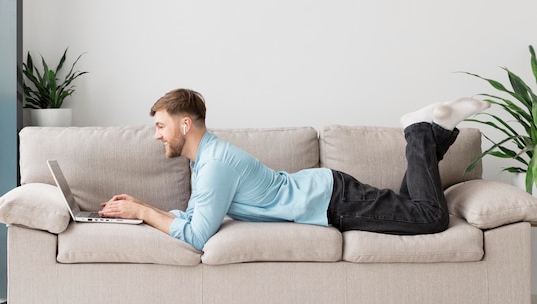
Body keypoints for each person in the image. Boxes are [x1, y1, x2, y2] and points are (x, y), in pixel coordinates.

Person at [99, 88, 490, 251]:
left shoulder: (214, 164)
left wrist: (143, 213)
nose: (156, 136)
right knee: (412, 206)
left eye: (160, 126)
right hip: (329, 194)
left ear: (185, 125)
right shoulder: (206, 160)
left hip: (334, 202)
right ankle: (434, 133)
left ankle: (421, 132)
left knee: (431, 217)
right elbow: (199, 215)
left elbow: (199, 235)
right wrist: (143, 207)